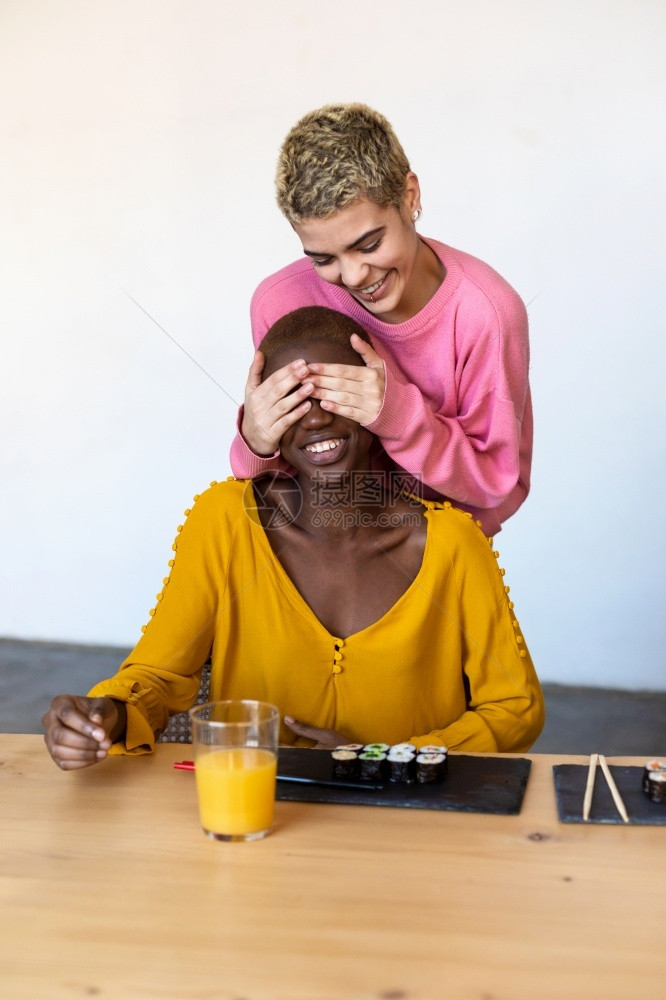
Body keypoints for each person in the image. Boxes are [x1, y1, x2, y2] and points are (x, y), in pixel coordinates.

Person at [43, 308, 543, 770]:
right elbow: (156, 677)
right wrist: (104, 713)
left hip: (406, 829)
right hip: (254, 821)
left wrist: (380, 760)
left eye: (335, 393)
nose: (316, 418)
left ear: (379, 401)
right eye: (291, 401)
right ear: (264, 419)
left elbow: (514, 708)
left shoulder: (452, 542)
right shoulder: (224, 523)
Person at [230, 103, 532, 537]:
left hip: (434, 558)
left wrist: (395, 414)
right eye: (323, 258)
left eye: (369, 244)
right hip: (319, 551)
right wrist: (255, 442)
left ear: (410, 198)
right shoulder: (280, 302)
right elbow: (281, 475)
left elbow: (496, 485)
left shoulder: (486, 313)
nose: (353, 277)